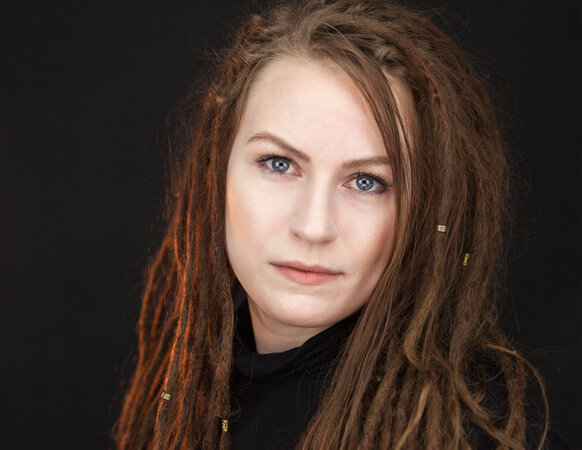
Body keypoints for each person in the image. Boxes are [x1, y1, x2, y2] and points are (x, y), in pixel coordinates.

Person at [114, 0, 550, 448]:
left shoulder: (472, 435)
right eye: (279, 163)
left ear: (425, 209)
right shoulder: (184, 391)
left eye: (366, 182)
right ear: (217, 167)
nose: (314, 226)